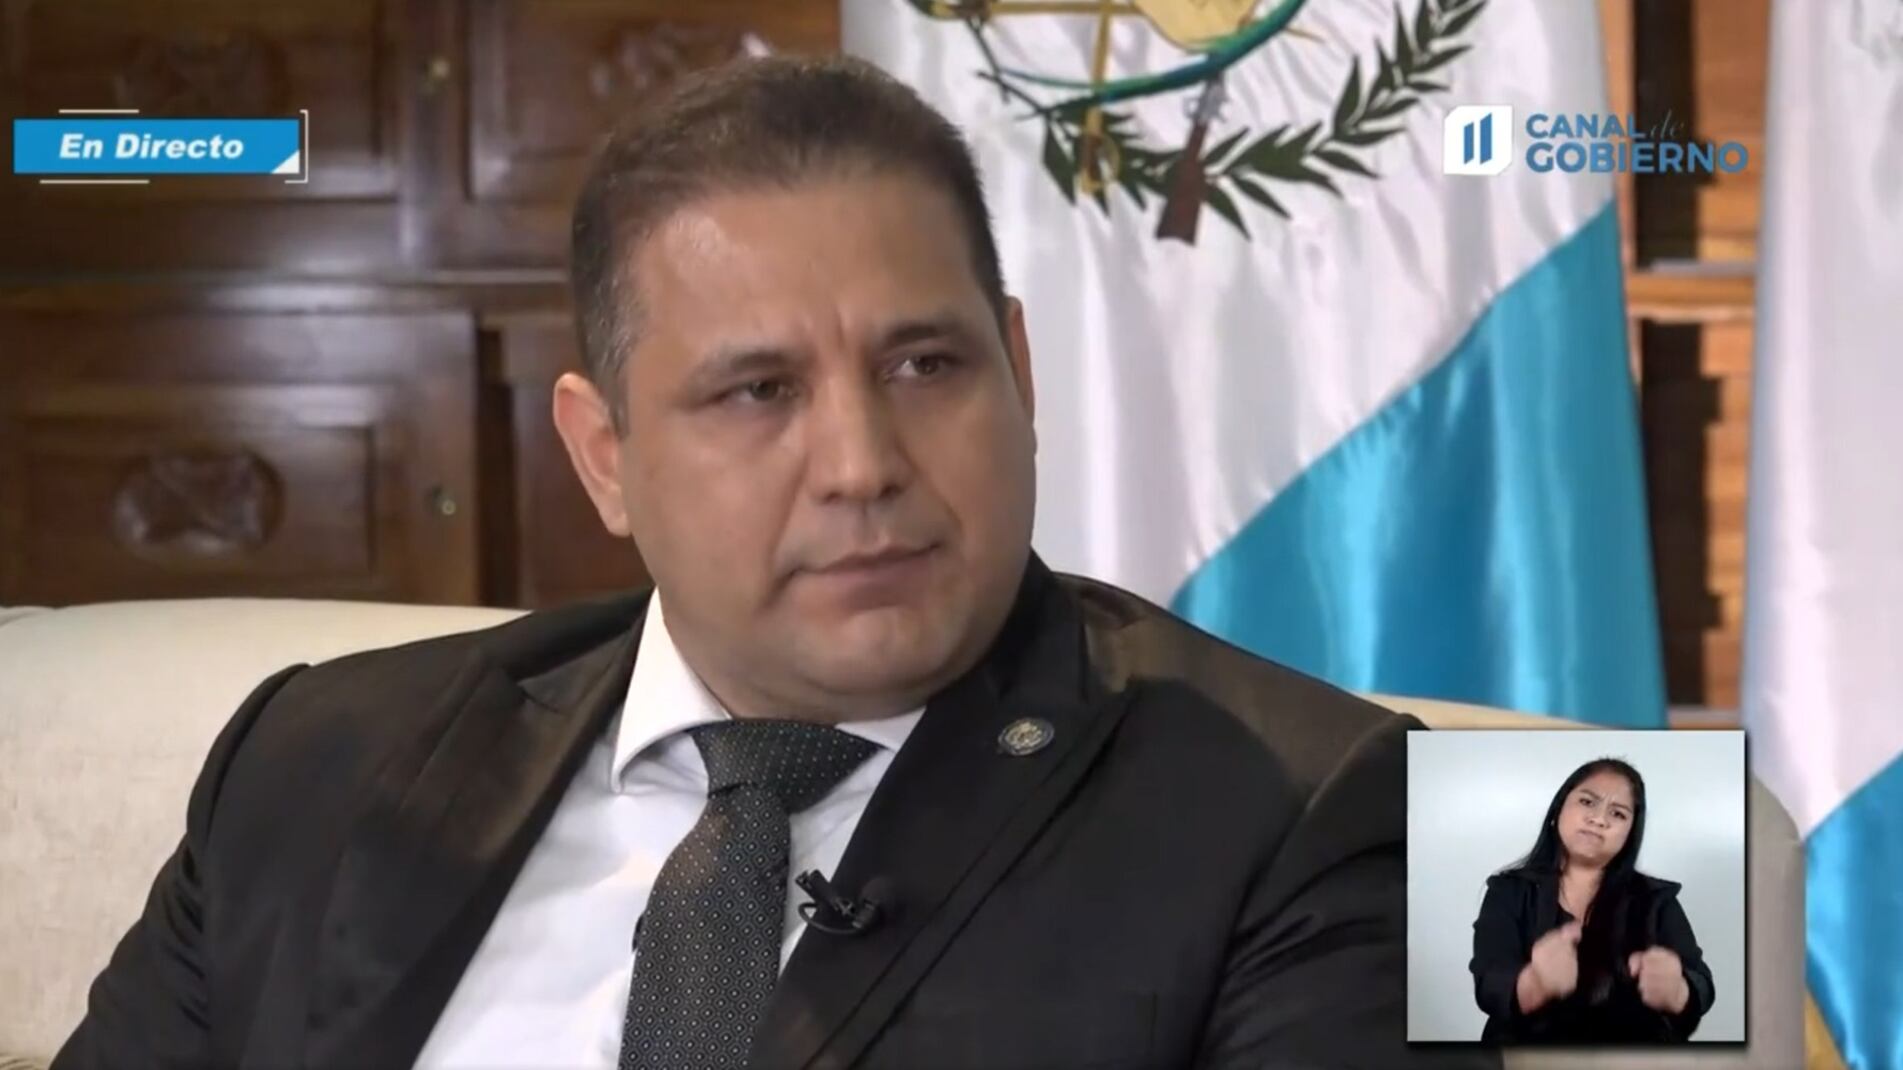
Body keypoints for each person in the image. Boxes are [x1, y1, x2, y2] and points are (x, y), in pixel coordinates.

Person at [53, 56, 1494, 1070]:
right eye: (757, 391)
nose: (861, 462)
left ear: (1020, 371)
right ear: (604, 455)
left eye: (925, 364)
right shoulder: (310, 763)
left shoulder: (1329, 814)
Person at [1469, 758, 1715, 1044]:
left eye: (1618, 814)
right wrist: (1534, 983)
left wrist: (1678, 992)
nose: (1599, 819)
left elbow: (1702, 983)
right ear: (1558, 809)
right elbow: (1489, 982)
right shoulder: (1509, 890)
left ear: (1630, 834)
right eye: (1587, 802)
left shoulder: (1656, 899)